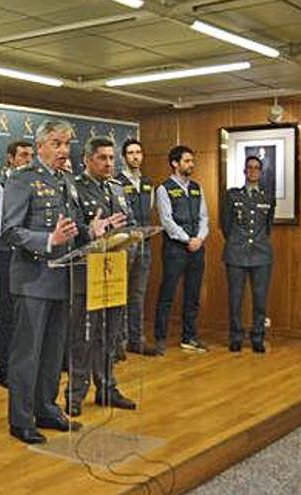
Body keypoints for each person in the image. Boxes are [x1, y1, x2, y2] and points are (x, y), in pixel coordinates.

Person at [2, 120, 124, 444]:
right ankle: (21, 418)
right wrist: (48, 239)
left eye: (66, 144)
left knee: (55, 352)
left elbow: (74, 228)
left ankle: (46, 407)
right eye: (56, 143)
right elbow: (10, 230)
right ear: (40, 145)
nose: (62, 150)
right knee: (28, 353)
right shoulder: (22, 179)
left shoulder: (66, 180)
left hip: (63, 277)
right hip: (33, 279)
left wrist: (92, 230)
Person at [65, 136, 137, 418]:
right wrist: (91, 229)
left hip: (114, 270)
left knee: (110, 334)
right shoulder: (74, 187)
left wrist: (128, 234)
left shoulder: (117, 188)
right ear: (87, 159)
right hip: (86, 273)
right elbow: (72, 227)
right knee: (83, 337)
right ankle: (75, 393)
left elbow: (128, 222)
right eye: (102, 158)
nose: (109, 163)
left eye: (111, 158)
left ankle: (107, 386)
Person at [154, 145, 210, 355]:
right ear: (175, 163)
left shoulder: (196, 187)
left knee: (192, 294)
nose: (191, 164)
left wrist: (200, 238)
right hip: (175, 248)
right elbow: (167, 221)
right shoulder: (164, 188)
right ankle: (160, 338)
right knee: (167, 294)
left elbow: (205, 216)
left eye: (192, 160)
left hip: (197, 247)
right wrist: (187, 239)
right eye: (187, 161)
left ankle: (190, 337)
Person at [0, 140, 33, 386]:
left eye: (31, 155)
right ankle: (4, 367)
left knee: (26, 313)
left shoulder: (32, 184)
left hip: (29, 254)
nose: (28, 159)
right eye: (23, 155)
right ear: (10, 158)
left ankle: (22, 366)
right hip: (9, 253)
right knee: (7, 313)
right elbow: (1, 226)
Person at [220, 156, 274, 353]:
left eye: (256, 168)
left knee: (260, 298)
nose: (253, 171)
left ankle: (258, 336)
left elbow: (268, 226)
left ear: (261, 172)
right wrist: (236, 241)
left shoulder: (267, 196)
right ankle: (236, 336)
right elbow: (224, 224)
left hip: (261, 254)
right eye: (249, 168)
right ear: (244, 171)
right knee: (235, 298)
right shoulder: (233, 195)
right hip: (236, 253)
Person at [116, 138, 158, 356]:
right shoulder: (116, 181)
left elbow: (150, 209)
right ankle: (120, 342)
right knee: (120, 293)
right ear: (124, 157)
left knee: (138, 294)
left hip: (144, 243)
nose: (135, 156)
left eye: (138, 152)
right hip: (124, 244)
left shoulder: (148, 183)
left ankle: (137, 339)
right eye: (131, 153)